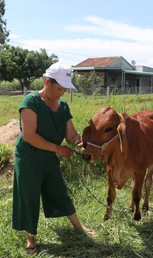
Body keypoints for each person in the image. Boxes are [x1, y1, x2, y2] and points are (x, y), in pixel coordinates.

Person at [12, 62, 95, 255]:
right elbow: (29, 136)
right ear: (47, 82)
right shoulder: (30, 102)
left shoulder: (63, 106)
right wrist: (58, 149)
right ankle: (30, 239)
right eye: (59, 88)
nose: (62, 93)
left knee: (59, 191)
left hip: (49, 157)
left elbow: (71, 135)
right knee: (29, 197)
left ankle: (78, 227)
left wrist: (80, 142)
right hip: (29, 158)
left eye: (65, 89)